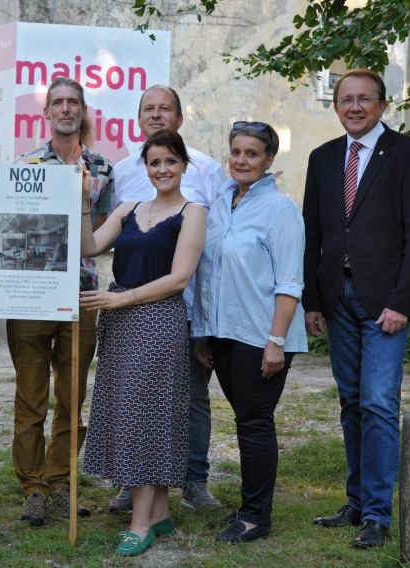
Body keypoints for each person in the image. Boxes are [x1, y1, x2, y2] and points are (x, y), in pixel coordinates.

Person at [304, 69, 410, 549]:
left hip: (385, 302)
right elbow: (312, 234)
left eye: (364, 99)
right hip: (336, 299)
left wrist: (402, 301)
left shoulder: (408, 154)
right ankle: (357, 501)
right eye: (346, 99)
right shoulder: (322, 158)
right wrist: (312, 301)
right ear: (336, 106)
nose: (355, 107)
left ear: (382, 105)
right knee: (351, 401)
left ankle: (378, 515)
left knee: (378, 401)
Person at [81, 130, 206, 556]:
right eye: (155, 163)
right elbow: (89, 246)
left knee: (145, 418)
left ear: (184, 164)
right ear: (146, 168)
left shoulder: (193, 212)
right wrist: (83, 202)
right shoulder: (128, 208)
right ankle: (160, 513)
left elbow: (179, 278)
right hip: (120, 323)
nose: (162, 169)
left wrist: (123, 298)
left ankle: (139, 524)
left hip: (158, 321)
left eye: (170, 161)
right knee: (134, 414)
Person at [108, 84, 227, 514]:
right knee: (133, 396)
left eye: (165, 108)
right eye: (149, 109)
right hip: (133, 309)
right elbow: (110, 236)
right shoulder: (123, 171)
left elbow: (217, 245)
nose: (156, 115)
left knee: (189, 397)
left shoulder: (207, 170)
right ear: (139, 118)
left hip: (189, 303)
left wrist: (209, 314)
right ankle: (132, 481)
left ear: (179, 117)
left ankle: (194, 480)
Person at [192, 121, 308, 543]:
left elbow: (290, 282)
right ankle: (248, 507)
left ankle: (257, 517)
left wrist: (276, 342)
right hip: (223, 333)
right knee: (244, 420)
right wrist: (203, 332)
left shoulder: (281, 209)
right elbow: (208, 272)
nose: (242, 160)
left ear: (269, 159)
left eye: (252, 153)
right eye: (236, 152)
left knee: (255, 422)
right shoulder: (221, 202)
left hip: (262, 336)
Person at [9, 76, 114, 526]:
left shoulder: (103, 168)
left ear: (83, 110)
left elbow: (104, 234)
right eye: (58, 102)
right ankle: (33, 487)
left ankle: (60, 480)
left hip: (83, 292)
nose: (66, 109)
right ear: (47, 112)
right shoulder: (26, 165)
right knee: (31, 396)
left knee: (73, 396)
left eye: (74, 102)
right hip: (32, 293)